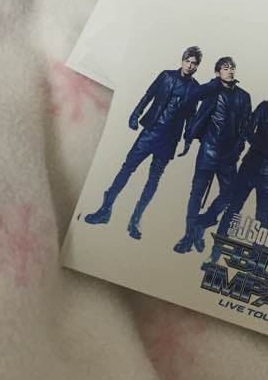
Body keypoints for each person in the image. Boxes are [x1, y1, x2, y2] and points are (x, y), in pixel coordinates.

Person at [84, 47, 202, 239]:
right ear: (182, 61)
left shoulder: (196, 88)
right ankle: (105, 210)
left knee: (154, 179)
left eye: (193, 63)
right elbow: (149, 95)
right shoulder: (166, 76)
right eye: (187, 61)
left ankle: (135, 221)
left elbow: (191, 116)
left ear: (197, 67)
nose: (189, 65)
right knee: (127, 168)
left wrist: (188, 140)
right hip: (151, 131)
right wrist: (135, 114)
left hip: (169, 140)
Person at [210, 69, 268, 260]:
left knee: (262, 218)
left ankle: (255, 260)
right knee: (233, 209)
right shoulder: (265, 106)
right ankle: (215, 253)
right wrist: (262, 145)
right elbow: (246, 129)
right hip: (250, 166)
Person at [173, 57, 252, 254]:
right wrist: (214, 84)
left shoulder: (244, 96)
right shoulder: (211, 90)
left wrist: (238, 149)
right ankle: (188, 236)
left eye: (232, 68)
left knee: (229, 194)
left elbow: (246, 127)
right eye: (225, 68)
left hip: (228, 155)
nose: (230, 71)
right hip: (208, 150)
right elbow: (193, 95)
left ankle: (201, 223)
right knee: (196, 194)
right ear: (218, 72)